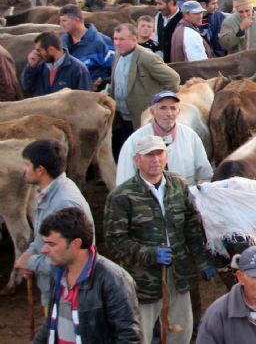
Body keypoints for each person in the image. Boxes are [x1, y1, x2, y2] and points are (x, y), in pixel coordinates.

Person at [105, 135, 216, 344]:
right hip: (143, 283)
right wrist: (150, 254)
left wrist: (202, 260)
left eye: (159, 153)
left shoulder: (178, 185)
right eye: (149, 155)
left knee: (181, 331)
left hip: (178, 274)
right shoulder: (122, 196)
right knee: (140, 335)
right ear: (137, 160)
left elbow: (192, 226)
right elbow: (115, 242)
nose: (155, 160)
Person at [31, 207, 142, 344]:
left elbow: (128, 337)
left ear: (76, 244)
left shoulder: (114, 280)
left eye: (51, 244)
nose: (44, 250)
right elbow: (50, 325)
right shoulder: (58, 273)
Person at [16, 139, 93, 308]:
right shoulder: (49, 192)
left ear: (40, 170)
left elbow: (72, 258)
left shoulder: (64, 203)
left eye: (27, 165)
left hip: (68, 297)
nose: (24, 169)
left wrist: (30, 263)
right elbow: (41, 239)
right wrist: (27, 255)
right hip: (56, 291)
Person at [116, 90, 212, 185]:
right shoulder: (134, 141)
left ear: (178, 112)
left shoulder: (191, 137)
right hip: (149, 199)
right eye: (163, 108)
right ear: (152, 112)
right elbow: (124, 182)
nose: (169, 113)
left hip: (185, 198)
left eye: (173, 108)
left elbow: (206, 175)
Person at [21, 31, 92, 96]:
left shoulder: (79, 70)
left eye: (39, 50)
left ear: (51, 50)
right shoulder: (40, 67)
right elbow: (27, 88)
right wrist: (30, 67)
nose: (37, 54)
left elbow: (85, 100)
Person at [58, 4, 114, 83]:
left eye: (64, 21)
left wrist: (100, 84)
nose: (61, 24)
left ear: (76, 21)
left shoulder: (101, 42)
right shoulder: (61, 42)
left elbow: (113, 71)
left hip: (92, 93)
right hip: (66, 91)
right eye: (60, 21)